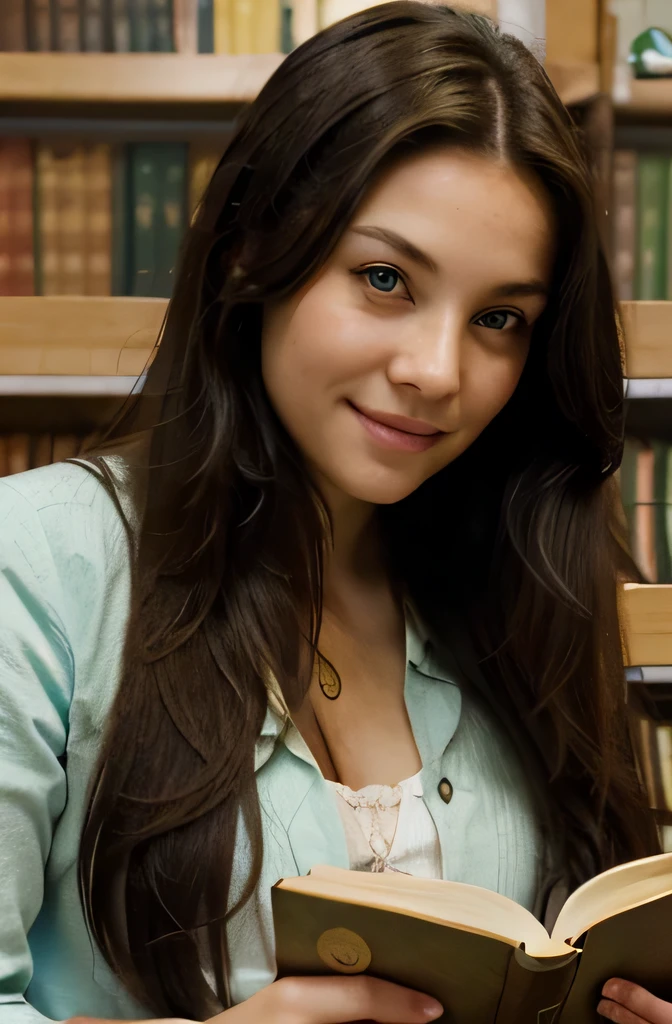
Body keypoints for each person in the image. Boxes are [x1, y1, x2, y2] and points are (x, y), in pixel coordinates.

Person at [0, 3, 668, 1023]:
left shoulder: (519, 583)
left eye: (500, 319)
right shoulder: (39, 564)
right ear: (247, 252)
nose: (438, 372)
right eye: (385, 278)